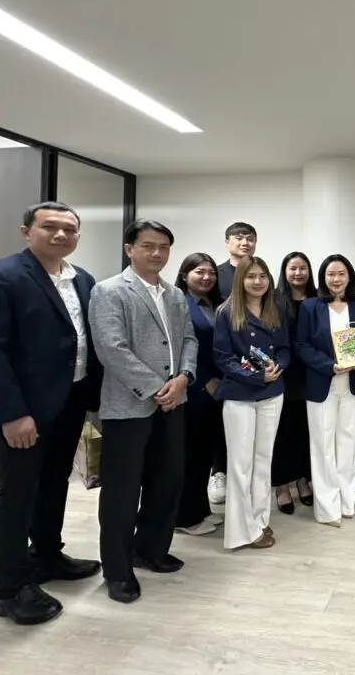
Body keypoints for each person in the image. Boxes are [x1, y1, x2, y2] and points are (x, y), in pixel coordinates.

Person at [0, 201, 103, 625]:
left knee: (54, 484)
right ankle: (11, 589)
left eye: (69, 229)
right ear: (27, 232)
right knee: (16, 495)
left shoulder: (82, 279)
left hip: (69, 401)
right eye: (49, 227)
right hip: (21, 410)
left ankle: (46, 555)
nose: (60, 235)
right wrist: (12, 414)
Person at [90, 219, 198, 604]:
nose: (157, 253)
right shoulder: (109, 291)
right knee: (121, 491)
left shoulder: (174, 294)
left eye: (164, 247)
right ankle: (117, 570)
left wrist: (184, 378)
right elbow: (111, 348)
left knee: (167, 479)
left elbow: (188, 339)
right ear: (129, 249)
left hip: (174, 402)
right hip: (128, 406)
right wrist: (156, 388)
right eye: (148, 246)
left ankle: (150, 549)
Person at [297, 255, 355, 526]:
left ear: (349, 277)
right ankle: (327, 509)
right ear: (323, 278)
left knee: (347, 444)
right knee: (322, 446)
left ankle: (347, 502)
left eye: (341, 274)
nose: (336, 279)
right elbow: (302, 346)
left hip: (353, 384)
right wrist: (331, 366)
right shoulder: (310, 307)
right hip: (322, 383)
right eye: (330, 274)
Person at [212, 256, 290, 549]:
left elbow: (285, 348)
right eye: (251, 276)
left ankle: (259, 520)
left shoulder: (276, 308)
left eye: (263, 276)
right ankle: (240, 531)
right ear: (240, 279)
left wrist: (277, 366)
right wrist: (257, 375)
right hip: (240, 396)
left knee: (263, 461)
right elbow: (223, 357)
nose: (258, 282)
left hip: (273, 393)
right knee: (240, 464)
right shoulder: (226, 312)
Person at [173, 253, 225, 537]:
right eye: (199, 272)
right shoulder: (178, 302)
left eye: (211, 273)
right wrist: (204, 381)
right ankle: (184, 517)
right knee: (189, 455)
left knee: (204, 453)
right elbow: (181, 347)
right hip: (193, 388)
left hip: (216, 390)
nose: (206, 277)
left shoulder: (214, 304)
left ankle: (200, 509)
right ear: (185, 275)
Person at [210, 221, 258, 506]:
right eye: (238, 238)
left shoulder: (260, 273)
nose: (244, 243)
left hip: (258, 362)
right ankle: (219, 472)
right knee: (222, 422)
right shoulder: (215, 275)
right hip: (225, 359)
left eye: (250, 238)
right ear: (227, 241)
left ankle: (249, 479)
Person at [273, 252, 317, 514]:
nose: (298, 273)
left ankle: (302, 480)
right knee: (283, 432)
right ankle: (281, 486)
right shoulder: (274, 299)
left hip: (313, 373)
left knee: (305, 430)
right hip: (284, 374)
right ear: (284, 271)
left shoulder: (318, 299)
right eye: (293, 268)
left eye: (303, 268)